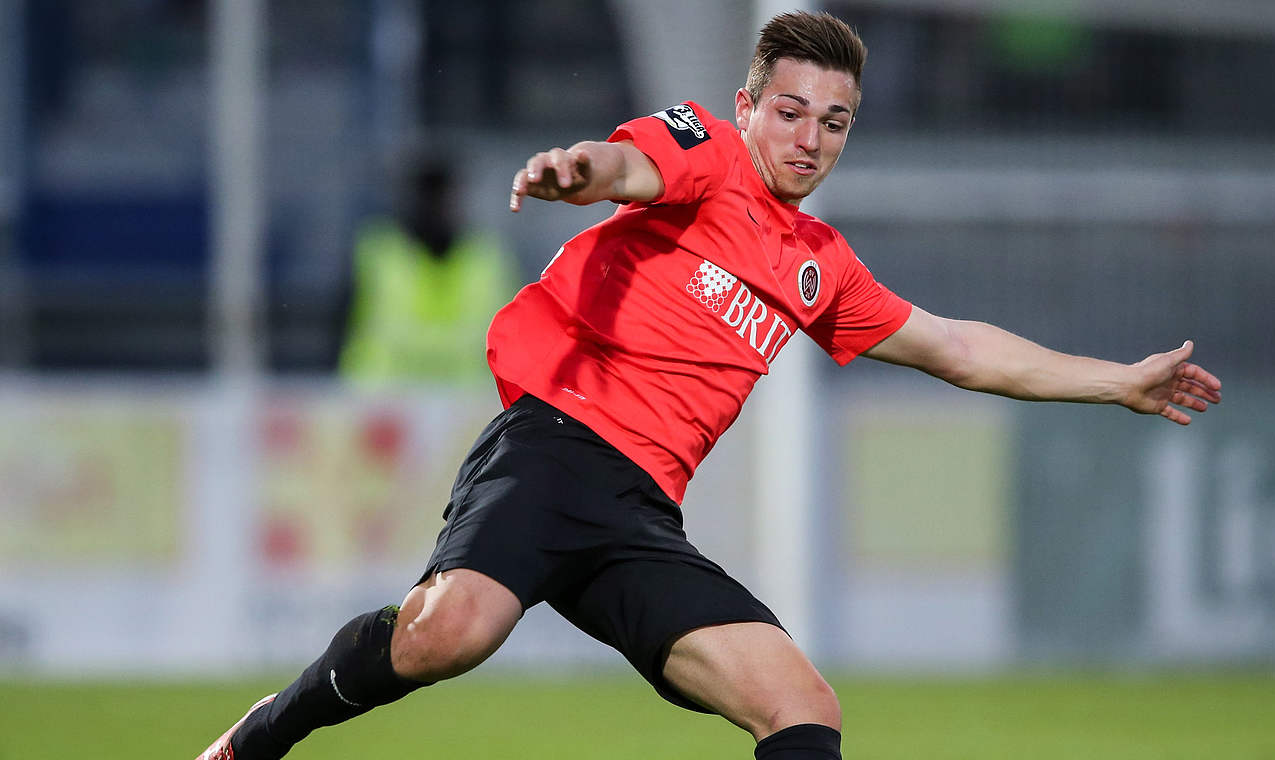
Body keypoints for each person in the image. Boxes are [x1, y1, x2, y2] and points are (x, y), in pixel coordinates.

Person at [197, 11, 1221, 760]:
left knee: (802, 703)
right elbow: (625, 166)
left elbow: (954, 345)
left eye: (835, 121)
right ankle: (262, 734)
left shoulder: (820, 261)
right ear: (746, 107)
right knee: (449, 634)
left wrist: (1116, 382)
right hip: (550, 451)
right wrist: (573, 173)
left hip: (639, 515)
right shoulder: (708, 152)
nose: (808, 137)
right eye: (790, 111)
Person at [338, 152, 517, 387]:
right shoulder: (378, 252)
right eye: (427, 197)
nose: (434, 208)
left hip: (469, 408)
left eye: (440, 198)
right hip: (386, 408)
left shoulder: (487, 257)